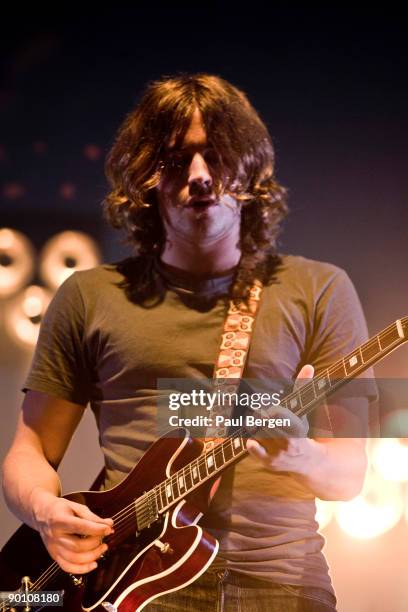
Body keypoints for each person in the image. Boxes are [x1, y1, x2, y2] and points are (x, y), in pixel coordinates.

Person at [2, 74, 376, 611]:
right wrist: (43, 510)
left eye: (216, 155)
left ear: (249, 169)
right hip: (128, 584)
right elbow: (30, 450)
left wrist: (300, 456)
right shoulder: (88, 296)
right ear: (145, 178)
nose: (199, 175)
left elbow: (349, 475)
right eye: (177, 159)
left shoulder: (320, 289)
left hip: (278, 583)